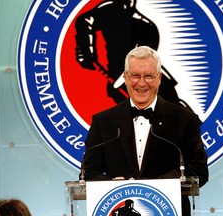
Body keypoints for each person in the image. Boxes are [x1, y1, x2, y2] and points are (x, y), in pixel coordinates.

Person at [81, 46, 209, 215]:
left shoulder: (184, 120)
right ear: (125, 78)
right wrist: (113, 185)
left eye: (148, 76)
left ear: (159, 78)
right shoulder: (103, 122)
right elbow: (88, 173)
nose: (141, 83)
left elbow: (199, 171)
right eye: (135, 75)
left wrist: (155, 187)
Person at [75, 0, 190, 108]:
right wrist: (86, 50)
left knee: (170, 101)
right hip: (120, 78)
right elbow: (84, 21)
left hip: (140, 78)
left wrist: (122, 81)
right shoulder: (108, 11)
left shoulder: (147, 27)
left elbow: (144, 63)